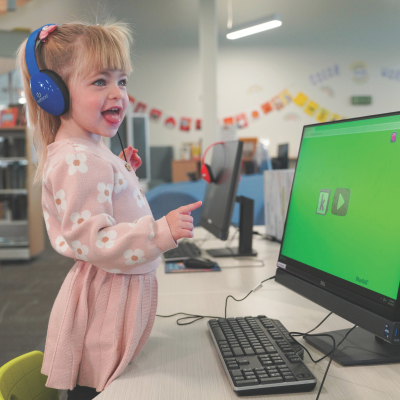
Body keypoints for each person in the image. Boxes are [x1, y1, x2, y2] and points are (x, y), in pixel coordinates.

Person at [16, 21, 201, 400]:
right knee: (103, 389)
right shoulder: (79, 160)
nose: (118, 93)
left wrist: (118, 166)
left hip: (116, 293)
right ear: (53, 95)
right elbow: (96, 240)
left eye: (123, 81)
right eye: (100, 81)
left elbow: (96, 201)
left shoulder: (88, 152)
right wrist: (160, 231)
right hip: (107, 303)